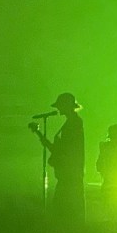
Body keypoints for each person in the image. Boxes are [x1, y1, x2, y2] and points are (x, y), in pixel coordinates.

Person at [30, 92, 86, 224]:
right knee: (65, 210)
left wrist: (39, 134)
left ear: (67, 106)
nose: (58, 109)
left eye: (60, 105)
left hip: (70, 174)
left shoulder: (73, 124)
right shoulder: (72, 123)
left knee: (65, 210)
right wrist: (39, 133)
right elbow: (58, 150)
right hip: (68, 174)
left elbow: (62, 150)